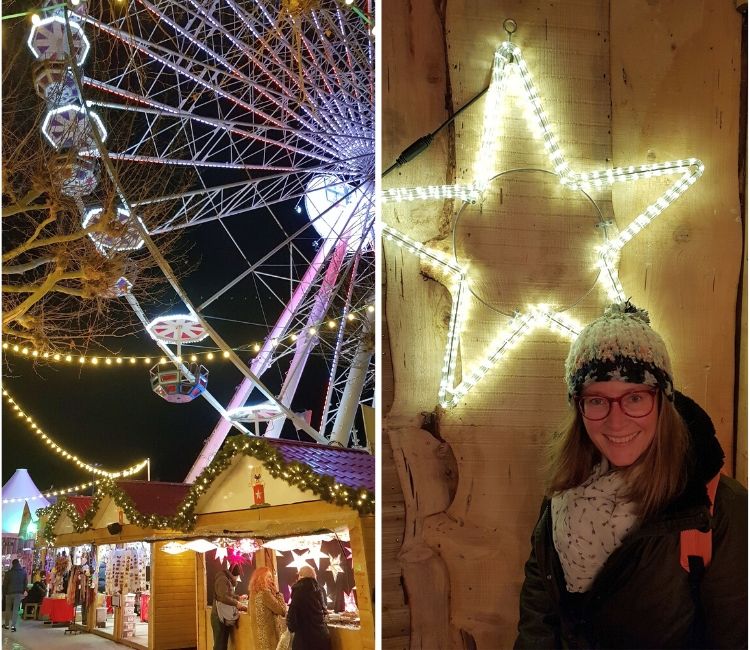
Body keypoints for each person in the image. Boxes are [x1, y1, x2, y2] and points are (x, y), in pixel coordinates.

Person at [514, 302, 748, 649]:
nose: (616, 420)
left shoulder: (718, 510)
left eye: (635, 397)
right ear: (579, 408)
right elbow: (541, 608)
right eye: (597, 400)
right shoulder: (564, 488)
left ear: (662, 402)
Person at [286, 565, 330, 650]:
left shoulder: (298, 591)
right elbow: (324, 610)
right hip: (322, 637)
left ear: (301, 576)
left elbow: (292, 620)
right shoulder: (320, 589)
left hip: (305, 641)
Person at [248, 566, 287, 650]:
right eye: (269, 577)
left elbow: (249, 612)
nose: (271, 580)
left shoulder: (252, 594)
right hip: (270, 639)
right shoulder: (265, 594)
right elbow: (282, 611)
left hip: (258, 638)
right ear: (261, 578)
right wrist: (277, 593)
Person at [211, 564, 247, 650]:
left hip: (222, 616)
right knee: (220, 645)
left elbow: (228, 594)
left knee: (222, 644)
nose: (237, 579)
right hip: (219, 617)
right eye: (237, 576)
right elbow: (223, 597)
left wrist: (238, 598)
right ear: (233, 574)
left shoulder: (226, 578)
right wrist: (237, 603)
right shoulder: (222, 579)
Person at [2, 559, 28, 632]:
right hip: (18, 593)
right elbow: (25, 583)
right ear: (19, 563)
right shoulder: (23, 572)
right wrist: (23, 591)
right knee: (15, 610)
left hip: (9, 593)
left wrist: (4, 593)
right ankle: (13, 626)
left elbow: (5, 585)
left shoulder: (8, 573)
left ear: (12, 564)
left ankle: (6, 625)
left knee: (8, 609)